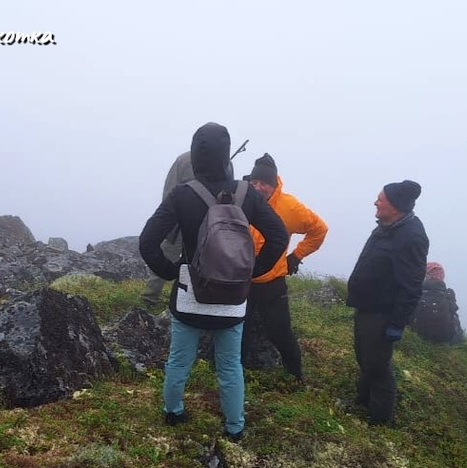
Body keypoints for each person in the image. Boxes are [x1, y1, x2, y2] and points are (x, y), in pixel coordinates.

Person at [139, 123, 287, 440]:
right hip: (233, 297)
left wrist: (170, 272)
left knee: (179, 360)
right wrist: (252, 271)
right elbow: (279, 236)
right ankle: (234, 427)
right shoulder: (247, 195)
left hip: (190, 294)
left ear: (194, 155)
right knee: (230, 365)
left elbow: (148, 242)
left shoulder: (183, 194)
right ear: (226, 155)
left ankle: (173, 412)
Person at [346, 180, 428, 426]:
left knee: (378, 367)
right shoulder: (386, 226)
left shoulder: (411, 237)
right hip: (367, 306)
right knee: (365, 358)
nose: (375, 202)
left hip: (382, 313)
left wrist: (397, 324)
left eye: (380, 199)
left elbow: (411, 285)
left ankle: (380, 421)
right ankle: (362, 402)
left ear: (395, 206)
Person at [242, 153, 328, 380]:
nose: (259, 188)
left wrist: (296, 256)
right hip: (241, 282)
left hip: (273, 282)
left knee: (281, 333)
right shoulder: (239, 198)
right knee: (237, 332)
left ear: (274, 184)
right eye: (254, 182)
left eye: (264, 184)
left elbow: (319, 229)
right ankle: (234, 377)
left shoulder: (289, 207)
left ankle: (295, 376)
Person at [141, 152, 233, 309]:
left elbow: (170, 191)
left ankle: (151, 298)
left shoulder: (183, 160)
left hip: (190, 220)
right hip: (206, 223)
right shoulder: (222, 162)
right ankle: (152, 297)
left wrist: (169, 217)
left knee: (171, 252)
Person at [410, 261, 463, 344]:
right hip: (444, 337)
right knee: (454, 315)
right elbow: (454, 309)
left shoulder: (416, 290)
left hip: (419, 333)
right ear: (442, 276)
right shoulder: (449, 293)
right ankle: (458, 343)